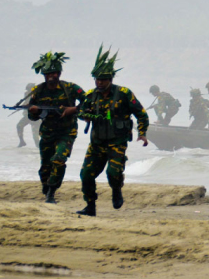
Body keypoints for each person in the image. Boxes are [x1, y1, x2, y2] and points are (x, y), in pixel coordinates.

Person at [75, 46, 149, 216]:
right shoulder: (91, 95)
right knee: (86, 174)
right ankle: (90, 206)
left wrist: (142, 133)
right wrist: (85, 116)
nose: (99, 82)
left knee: (113, 173)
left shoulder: (123, 94)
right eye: (97, 79)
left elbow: (141, 113)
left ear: (110, 79)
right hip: (97, 143)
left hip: (117, 142)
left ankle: (116, 189)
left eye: (103, 79)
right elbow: (80, 111)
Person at [27, 52, 86, 203]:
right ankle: (46, 186)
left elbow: (89, 101)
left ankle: (51, 193)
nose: (51, 76)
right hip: (47, 133)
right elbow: (32, 117)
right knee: (45, 166)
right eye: (48, 74)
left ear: (59, 73)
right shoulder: (38, 91)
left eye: (54, 73)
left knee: (59, 159)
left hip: (67, 132)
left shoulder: (70, 88)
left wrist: (74, 109)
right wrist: (34, 112)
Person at [16, 83, 40, 148]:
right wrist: (19, 107)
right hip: (27, 116)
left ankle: (39, 148)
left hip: (35, 118)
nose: (28, 91)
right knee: (19, 126)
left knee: (35, 135)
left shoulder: (38, 95)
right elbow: (26, 102)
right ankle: (22, 141)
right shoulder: (26, 94)